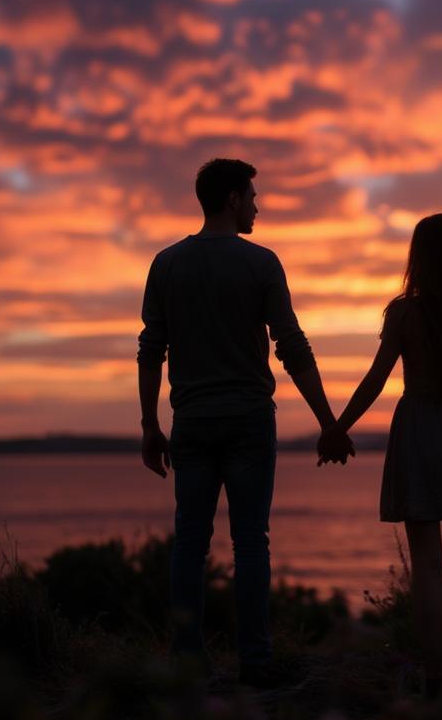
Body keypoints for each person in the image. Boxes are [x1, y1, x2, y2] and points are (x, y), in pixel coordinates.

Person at [137, 158, 353, 687]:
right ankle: (255, 661)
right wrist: (329, 422)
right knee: (251, 542)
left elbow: (150, 351)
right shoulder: (262, 263)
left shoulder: (166, 263)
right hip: (249, 421)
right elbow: (292, 347)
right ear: (233, 199)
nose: (257, 206)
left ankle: (187, 659)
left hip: (191, 421)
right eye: (252, 196)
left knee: (190, 541)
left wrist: (149, 424)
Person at [319, 213, 442, 700]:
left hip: (421, 431)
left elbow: (375, 379)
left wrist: (336, 429)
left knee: (428, 565)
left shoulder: (405, 314)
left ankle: (433, 676)